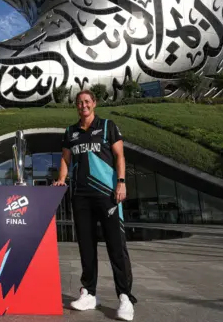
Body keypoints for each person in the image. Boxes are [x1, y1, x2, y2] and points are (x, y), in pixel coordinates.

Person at [53, 89, 136, 321]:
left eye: (87, 102)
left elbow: (120, 156)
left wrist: (121, 182)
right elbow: (65, 159)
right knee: (86, 247)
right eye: (80, 103)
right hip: (81, 197)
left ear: (94, 103)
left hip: (107, 195)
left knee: (116, 247)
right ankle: (89, 292)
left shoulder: (108, 126)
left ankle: (125, 297)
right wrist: (61, 179)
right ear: (76, 106)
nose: (83, 106)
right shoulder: (70, 132)